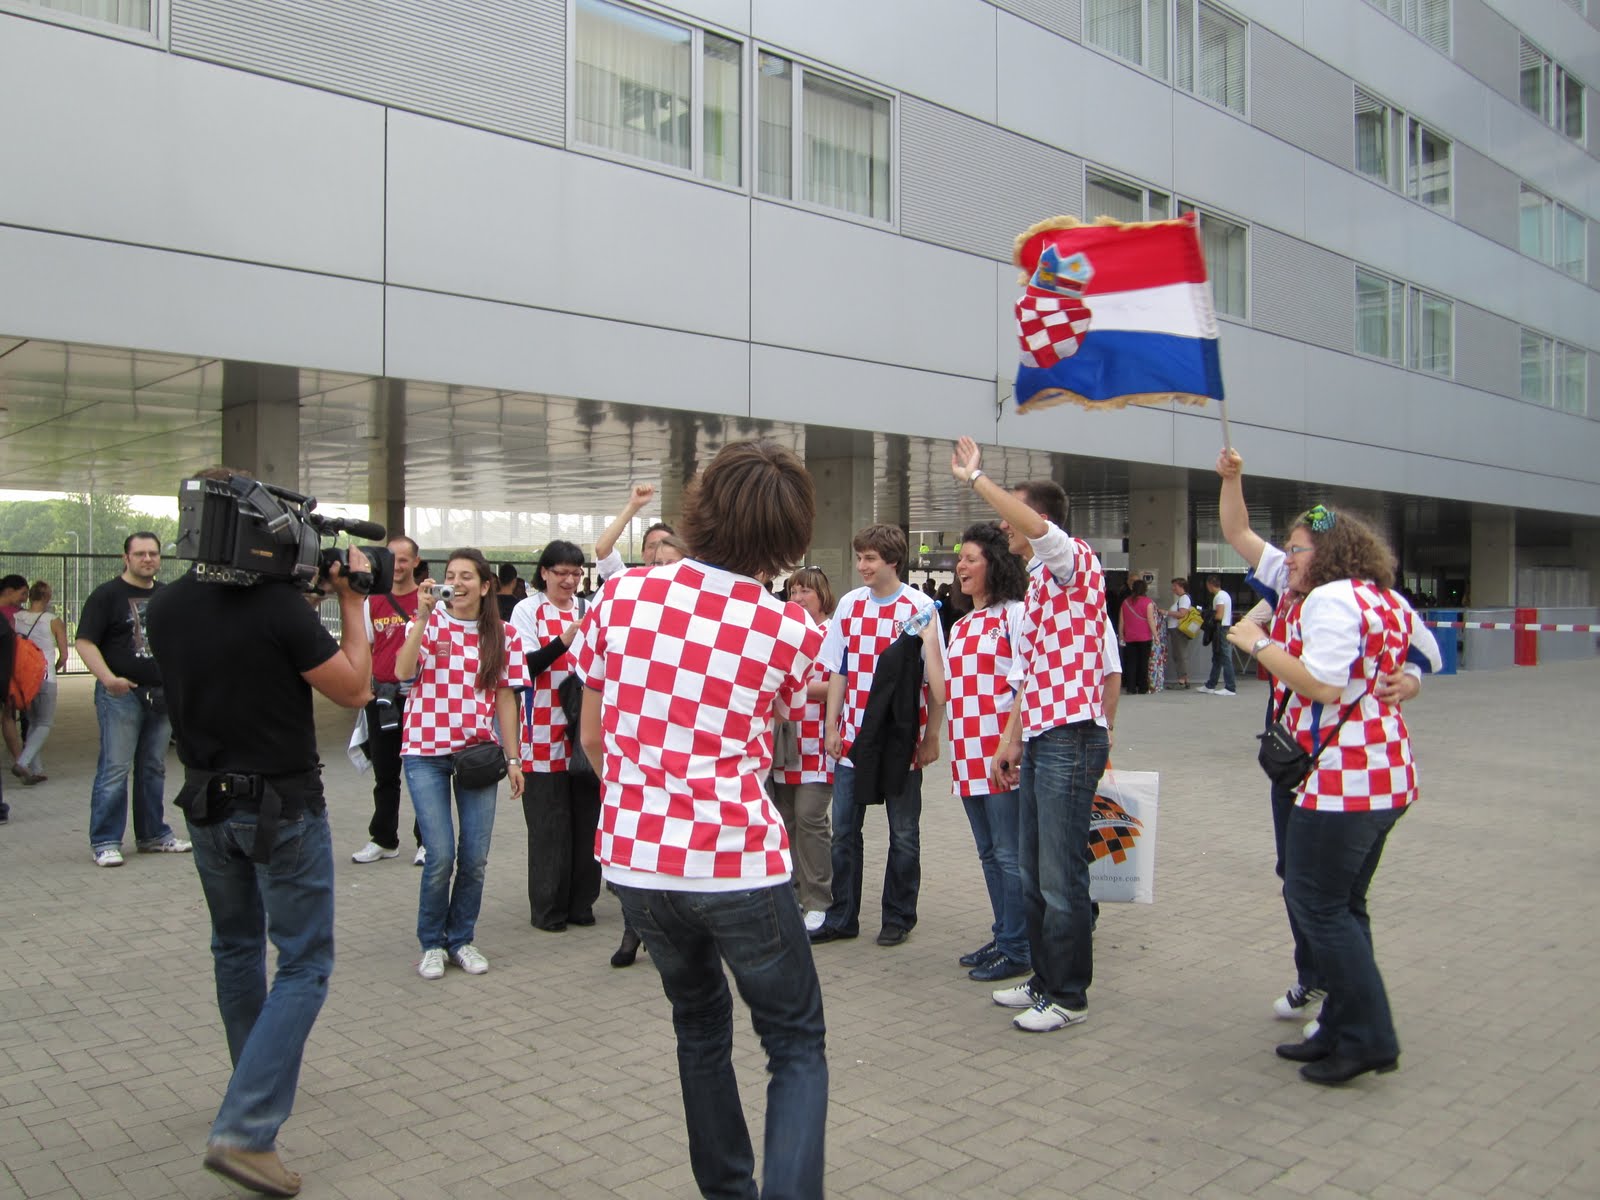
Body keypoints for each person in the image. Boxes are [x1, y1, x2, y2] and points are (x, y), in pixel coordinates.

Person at [573, 438, 827, 1200]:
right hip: (736, 858)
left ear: (700, 506)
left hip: (636, 861)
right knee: (794, 1042)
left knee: (697, 1024)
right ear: (788, 536)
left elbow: (592, 736)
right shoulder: (790, 628)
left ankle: (727, 1190)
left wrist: (639, 798)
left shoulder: (621, 597)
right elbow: (793, 711)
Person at [146, 488, 375, 1199]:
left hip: (205, 804)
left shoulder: (166, 604)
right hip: (281, 809)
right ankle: (246, 1130)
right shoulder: (279, 609)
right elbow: (355, 689)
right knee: (305, 963)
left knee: (236, 948)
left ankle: (251, 1080)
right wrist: (353, 603)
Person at [1225, 501, 1439, 1085]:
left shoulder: (1329, 600)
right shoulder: (1384, 598)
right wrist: (1410, 681)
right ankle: (1339, 1029)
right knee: (1344, 906)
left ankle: (1370, 1038)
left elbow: (1323, 685)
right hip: (1388, 776)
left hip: (1343, 780)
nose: (1289, 558)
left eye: (1297, 549)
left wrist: (1256, 643)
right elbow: (1428, 655)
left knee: (1316, 903)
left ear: (1327, 554)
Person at [952, 436, 1111, 1033]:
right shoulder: (1041, 581)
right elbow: (1031, 672)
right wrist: (1012, 738)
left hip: (1073, 735)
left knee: (1060, 875)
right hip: (1044, 735)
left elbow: (1034, 527)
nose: (1004, 525)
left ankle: (1069, 995)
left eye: (1013, 513)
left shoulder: (1073, 561)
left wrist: (977, 478)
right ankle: (1043, 979)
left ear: (1039, 519)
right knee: (1034, 873)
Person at [809, 523, 947, 949]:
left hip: (901, 742)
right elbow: (840, 671)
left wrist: (932, 736)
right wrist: (832, 726)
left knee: (903, 833)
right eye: (859, 558)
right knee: (844, 831)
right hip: (853, 739)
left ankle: (898, 916)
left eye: (869, 558)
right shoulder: (850, 605)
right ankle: (842, 916)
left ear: (893, 560)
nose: (862, 566)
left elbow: (935, 680)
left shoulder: (920, 607)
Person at [396, 548, 528, 980]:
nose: (457, 583)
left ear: (486, 586)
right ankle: (431, 943)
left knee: (475, 857)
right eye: (451, 575)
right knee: (440, 854)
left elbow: (506, 698)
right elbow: (402, 671)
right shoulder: (428, 622)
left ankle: (460, 939)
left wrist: (514, 758)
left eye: (467, 576)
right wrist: (421, 617)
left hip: (477, 756)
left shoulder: (504, 634)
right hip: (424, 752)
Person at [590, 482, 674, 968]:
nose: (658, 557)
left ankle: (667, 929)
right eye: (651, 549)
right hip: (626, 732)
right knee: (629, 836)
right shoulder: (625, 587)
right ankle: (633, 928)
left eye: (667, 549)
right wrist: (633, 507)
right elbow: (602, 551)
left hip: (671, 733)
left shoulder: (690, 598)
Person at [947, 522, 1031, 983]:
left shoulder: (1015, 616)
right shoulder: (961, 625)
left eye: (971, 559)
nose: (961, 566)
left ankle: (1019, 946)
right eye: (960, 559)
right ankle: (1004, 935)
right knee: (989, 853)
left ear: (995, 565)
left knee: (1008, 854)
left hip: (1001, 756)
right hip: (967, 757)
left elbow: (1024, 686)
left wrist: (1009, 745)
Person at [76, 532, 189, 866]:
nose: (147, 559)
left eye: (153, 553)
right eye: (140, 553)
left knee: (153, 767)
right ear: (125, 558)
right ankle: (105, 841)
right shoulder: (106, 596)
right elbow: (84, 641)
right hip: (121, 695)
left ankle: (153, 835)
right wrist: (108, 679)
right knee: (115, 767)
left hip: (162, 694)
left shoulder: (169, 596)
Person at [510, 540, 600, 933]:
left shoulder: (588, 608)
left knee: (586, 820)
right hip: (542, 731)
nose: (569, 580)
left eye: (575, 573)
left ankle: (582, 903)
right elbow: (524, 666)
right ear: (544, 573)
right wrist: (564, 640)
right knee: (550, 824)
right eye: (561, 572)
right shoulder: (526, 610)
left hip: (584, 730)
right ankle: (548, 908)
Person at [349, 536, 425, 866]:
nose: (397, 566)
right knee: (385, 774)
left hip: (420, 698)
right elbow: (366, 647)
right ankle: (383, 838)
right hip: (382, 700)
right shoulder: (373, 601)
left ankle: (426, 840)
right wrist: (365, 687)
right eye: (392, 559)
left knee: (423, 772)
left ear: (416, 562)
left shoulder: (427, 601)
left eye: (404, 559)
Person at [770, 565, 836, 933]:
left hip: (819, 742)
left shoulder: (833, 633)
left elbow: (839, 685)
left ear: (822, 595)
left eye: (805, 591)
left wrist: (793, 686)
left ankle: (819, 899)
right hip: (784, 742)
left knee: (810, 819)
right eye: (793, 591)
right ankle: (794, 895)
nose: (797, 598)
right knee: (787, 822)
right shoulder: (785, 631)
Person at [14, 580, 69, 784]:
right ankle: (23, 762)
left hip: (24, 678)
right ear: (47, 597)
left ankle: (35, 769)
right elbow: (64, 655)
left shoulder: (17, 617)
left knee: (32, 722)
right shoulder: (53, 620)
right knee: (44, 723)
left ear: (30, 596)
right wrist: (54, 668)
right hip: (46, 676)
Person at [1118, 579, 1158, 695]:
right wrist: (1156, 635)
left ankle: (1131, 687)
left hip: (1129, 637)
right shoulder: (1148, 602)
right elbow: (1150, 621)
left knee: (1131, 663)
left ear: (1132, 588)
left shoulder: (1125, 602)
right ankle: (1142, 687)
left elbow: (1121, 621)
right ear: (1145, 589)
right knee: (1143, 663)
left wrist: (1121, 635)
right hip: (1144, 637)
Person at [1199, 574, 1237, 696]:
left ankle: (1230, 687)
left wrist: (1208, 616)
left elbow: (1219, 615)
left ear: (1210, 584)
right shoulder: (1225, 595)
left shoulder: (1219, 597)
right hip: (1225, 627)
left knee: (1224, 657)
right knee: (1218, 657)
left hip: (1221, 628)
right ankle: (1210, 684)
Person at [1165, 579, 1193, 689]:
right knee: (1178, 654)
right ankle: (1184, 679)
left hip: (1178, 630)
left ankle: (1182, 680)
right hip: (1176, 629)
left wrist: (1166, 612)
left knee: (1180, 655)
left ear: (1181, 586)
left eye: (1175, 586)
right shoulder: (1182, 599)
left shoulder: (1184, 599)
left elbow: (1182, 614)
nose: (1173, 589)